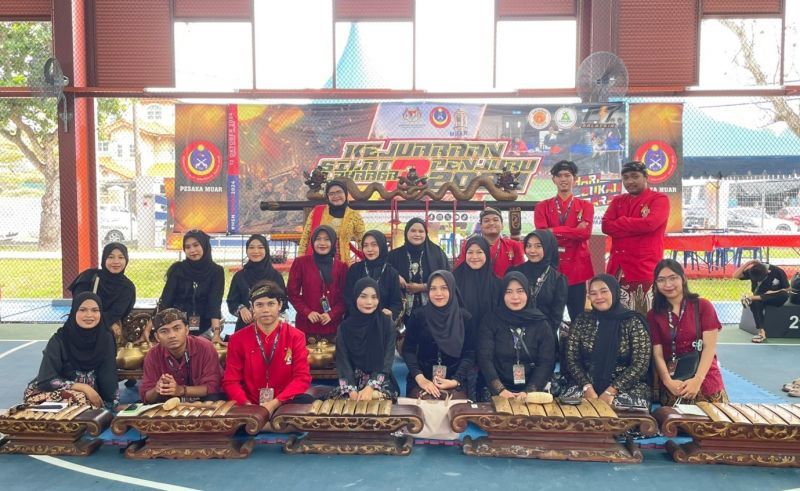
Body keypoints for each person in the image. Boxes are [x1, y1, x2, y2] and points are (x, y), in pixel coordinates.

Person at [563, 274, 651, 409]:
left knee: (620, 412)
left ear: (614, 292)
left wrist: (612, 390)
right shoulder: (582, 320)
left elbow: (640, 364)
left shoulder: (632, 321)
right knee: (570, 411)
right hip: (586, 384)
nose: (599, 297)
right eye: (593, 293)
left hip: (626, 387)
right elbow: (572, 359)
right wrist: (586, 387)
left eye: (604, 291)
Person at [223, 281, 312, 414]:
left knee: (305, 402)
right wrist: (247, 405)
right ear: (252, 307)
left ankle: (264, 424)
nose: (265, 310)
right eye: (259, 305)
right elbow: (231, 381)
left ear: (280, 305)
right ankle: (268, 425)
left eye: (271, 304)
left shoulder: (295, 336)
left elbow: (302, 378)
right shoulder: (237, 339)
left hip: (283, 401)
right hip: (249, 402)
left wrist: (274, 403)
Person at [648, 259, 728, 405]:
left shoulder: (703, 306)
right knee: (674, 424)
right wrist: (667, 381)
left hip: (706, 376)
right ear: (656, 284)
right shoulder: (654, 314)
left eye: (673, 278)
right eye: (661, 280)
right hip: (674, 380)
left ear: (683, 278)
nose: (668, 285)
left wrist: (697, 380)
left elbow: (709, 347)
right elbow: (657, 354)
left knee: (716, 425)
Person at [24, 292, 117, 408]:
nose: (89, 315)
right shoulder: (59, 340)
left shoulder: (106, 338)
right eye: (82, 310)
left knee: (87, 404)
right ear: (74, 312)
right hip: (51, 391)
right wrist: (83, 387)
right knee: (78, 400)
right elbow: (46, 380)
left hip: (90, 396)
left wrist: (112, 403)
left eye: (95, 310)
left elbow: (108, 373)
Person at [601, 161, 669, 314]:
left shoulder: (659, 199)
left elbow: (650, 224)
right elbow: (606, 226)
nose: (629, 181)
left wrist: (621, 222)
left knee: (645, 319)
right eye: (625, 178)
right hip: (616, 270)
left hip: (644, 268)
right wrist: (637, 225)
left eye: (634, 176)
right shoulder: (618, 201)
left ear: (646, 177)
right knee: (616, 318)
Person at [477, 271, 555, 401]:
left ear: (528, 293)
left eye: (520, 291)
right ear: (502, 294)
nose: (515, 297)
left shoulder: (541, 323)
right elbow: (485, 358)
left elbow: (546, 362)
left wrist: (529, 391)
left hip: (532, 391)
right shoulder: (491, 321)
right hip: (497, 390)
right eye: (509, 292)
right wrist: (500, 390)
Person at [534, 160, 594, 322]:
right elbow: (543, 236)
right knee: (550, 318)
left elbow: (585, 234)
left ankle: (576, 347)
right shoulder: (542, 206)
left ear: (575, 178)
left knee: (578, 317)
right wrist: (574, 231)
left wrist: (553, 230)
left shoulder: (586, 206)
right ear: (553, 179)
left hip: (577, 268)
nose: (563, 179)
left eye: (567, 175)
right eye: (559, 176)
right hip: (552, 268)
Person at [403, 271, 475, 399]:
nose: (438, 293)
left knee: (455, 412)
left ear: (452, 289)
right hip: (422, 377)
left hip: (455, 378)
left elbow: (470, 353)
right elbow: (408, 350)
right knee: (423, 408)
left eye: (444, 288)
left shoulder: (464, 318)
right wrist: (420, 379)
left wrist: (455, 380)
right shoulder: (418, 316)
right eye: (433, 288)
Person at [330, 277, 399, 400]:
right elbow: (343, 362)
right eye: (363, 296)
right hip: (352, 380)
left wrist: (370, 387)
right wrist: (351, 390)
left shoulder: (387, 324)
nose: (369, 302)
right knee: (338, 404)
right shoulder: (345, 327)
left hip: (380, 380)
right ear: (355, 297)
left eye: (374, 297)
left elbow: (386, 361)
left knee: (376, 399)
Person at [140, 308, 223, 403]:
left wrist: (181, 390)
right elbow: (146, 397)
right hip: (170, 405)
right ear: (157, 337)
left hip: (204, 402)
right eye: (164, 331)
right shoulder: (153, 355)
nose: (172, 335)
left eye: (177, 329)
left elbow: (213, 387)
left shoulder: (205, 347)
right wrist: (158, 389)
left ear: (187, 330)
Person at [160, 230, 225, 343]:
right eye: (188, 247)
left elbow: (214, 304)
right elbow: (166, 300)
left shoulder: (216, 271)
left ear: (204, 245)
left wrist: (216, 334)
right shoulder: (178, 269)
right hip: (177, 326)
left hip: (205, 326)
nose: (192, 250)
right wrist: (151, 328)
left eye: (196, 245)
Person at [287, 225, 347, 342]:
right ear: (313, 241)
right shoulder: (301, 263)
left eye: (327, 239)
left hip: (332, 325)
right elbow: (291, 293)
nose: (322, 243)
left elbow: (346, 297)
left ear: (333, 242)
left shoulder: (341, 267)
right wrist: (307, 312)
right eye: (318, 239)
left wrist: (331, 314)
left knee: (333, 359)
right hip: (306, 324)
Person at [508, 230, 568, 344]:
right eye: (528, 246)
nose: (532, 250)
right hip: (515, 336)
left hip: (544, 338)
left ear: (548, 247)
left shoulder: (558, 279)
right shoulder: (515, 272)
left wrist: (540, 338)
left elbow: (556, 317)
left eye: (538, 246)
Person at [68, 242, 136, 338]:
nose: (116, 261)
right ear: (104, 259)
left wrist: (107, 322)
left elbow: (114, 314)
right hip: (80, 327)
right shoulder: (88, 277)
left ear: (126, 260)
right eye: (111, 257)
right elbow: (79, 305)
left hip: (104, 331)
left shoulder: (127, 288)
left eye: (121, 257)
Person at [387, 218, 449, 319]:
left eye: (421, 231)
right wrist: (395, 276)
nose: (417, 234)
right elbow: (384, 270)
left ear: (426, 234)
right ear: (406, 232)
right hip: (402, 312)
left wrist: (423, 287)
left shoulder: (436, 253)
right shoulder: (394, 255)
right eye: (413, 231)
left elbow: (446, 279)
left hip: (432, 311)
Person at [227, 234, 286, 332]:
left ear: (266, 250)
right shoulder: (240, 276)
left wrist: (265, 312)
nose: (255, 251)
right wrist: (242, 309)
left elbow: (283, 302)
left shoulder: (276, 276)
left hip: (270, 329)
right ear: (247, 250)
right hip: (245, 328)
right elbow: (232, 302)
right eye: (251, 247)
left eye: (260, 247)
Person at [297, 180, 365, 265]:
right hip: (316, 264)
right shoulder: (317, 212)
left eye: (339, 192)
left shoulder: (354, 216)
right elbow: (305, 239)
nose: (336, 196)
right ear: (327, 196)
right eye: (331, 194)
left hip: (342, 264)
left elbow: (362, 241)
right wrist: (300, 262)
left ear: (345, 194)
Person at [344, 230, 403, 321]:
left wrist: (390, 313)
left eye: (374, 245)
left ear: (382, 246)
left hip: (381, 324)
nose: (369, 249)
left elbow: (396, 303)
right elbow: (348, 297)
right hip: (357, 322)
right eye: (365, 245)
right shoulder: (355, 269)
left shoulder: (391, 273)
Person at [455, 207, 524, 278]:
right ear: (481, 226)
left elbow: (520, 274)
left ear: (502, 225)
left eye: (495, 220)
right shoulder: (469, 245)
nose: (491, 223)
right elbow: (460, 272)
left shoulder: (513, 245)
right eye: (486, 221)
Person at [733, 259, 790, 343]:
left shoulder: (778, 271)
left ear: (767, 272)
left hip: (774, 298)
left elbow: (788, 288)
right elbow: (735, 276)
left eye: (760, 279)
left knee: (784, 294)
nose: (758, 281)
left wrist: (773, 292)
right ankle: (761, 332)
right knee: (755, 303)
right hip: (760, 300)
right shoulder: (754, 270)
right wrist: (748, 263)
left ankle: (750, 298)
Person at [453, 236, 501, 328]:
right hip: (461, 333)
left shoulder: (497, 284)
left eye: (479, 252)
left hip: (489, 336)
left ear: (486, 254)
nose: (474, 257)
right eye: (470, 252)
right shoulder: (454, 280)